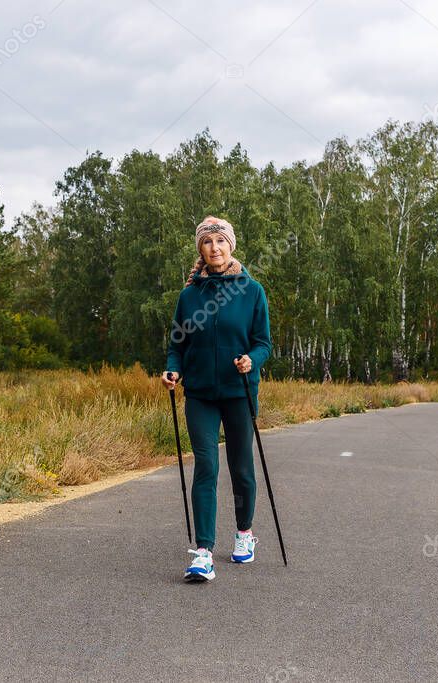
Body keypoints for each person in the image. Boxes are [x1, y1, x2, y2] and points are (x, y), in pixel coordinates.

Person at [161, 215, 272, 582]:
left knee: (241, 467)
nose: (214, 248)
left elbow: (263, 344)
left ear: (231, 245)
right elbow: (178, 346)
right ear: (201, 250)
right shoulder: (189, 295)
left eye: (220, 241)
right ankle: (204, 552)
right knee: (206, 466)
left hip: (239, 392)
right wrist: (172, 370)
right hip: (202, 395)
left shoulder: (252, 290)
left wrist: (250, 360)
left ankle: (244, 533)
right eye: (207, 243)